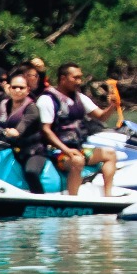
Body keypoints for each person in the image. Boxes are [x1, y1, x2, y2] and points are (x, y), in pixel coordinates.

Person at [51, 64, 122, 196]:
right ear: (63, 79)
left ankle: (108, 197)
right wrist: (66, 150)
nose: (79, 81)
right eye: (75, 78)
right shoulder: (48, 99)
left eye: (80, 78)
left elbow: (101, 117)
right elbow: (45, 130)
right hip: (56, 151)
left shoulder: (80, 98)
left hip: (77, 149)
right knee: (77, 160)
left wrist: (112, 105)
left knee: (110, 154)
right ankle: (73, 199)